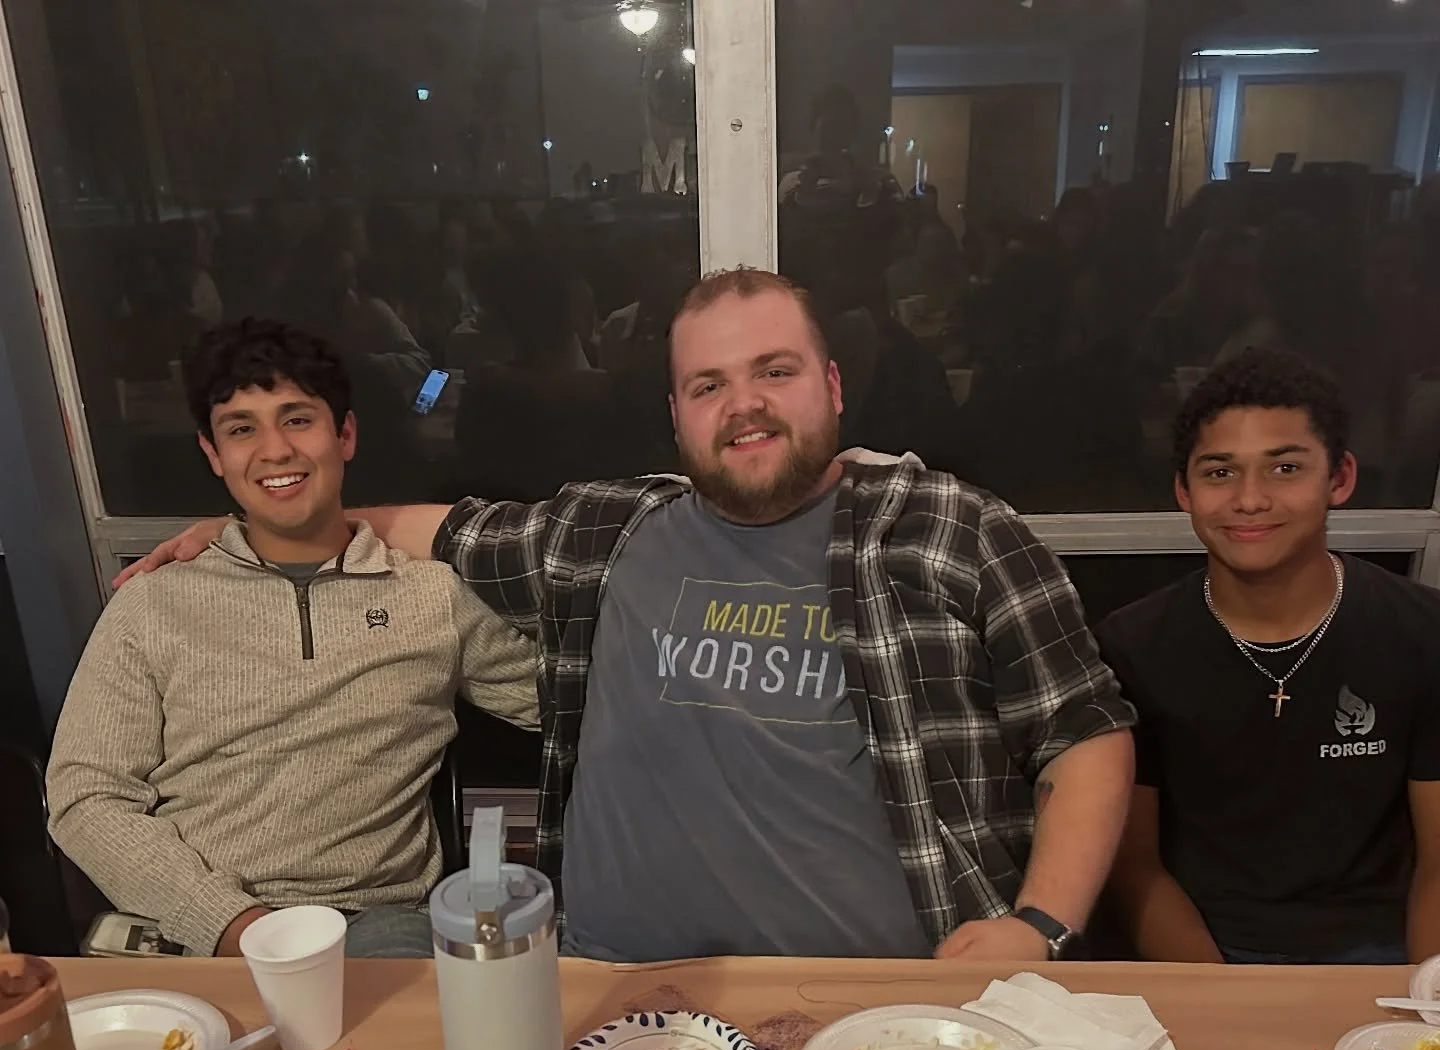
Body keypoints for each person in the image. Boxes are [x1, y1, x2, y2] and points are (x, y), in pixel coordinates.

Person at [119, 270, 1135, 965]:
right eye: (709, 385)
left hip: (878, 996)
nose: (745, 405)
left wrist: (1039, 925)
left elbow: (1085, 732)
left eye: (775, 372)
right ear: (676, 415)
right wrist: (265, 518)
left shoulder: (947, 528)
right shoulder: (608, 532)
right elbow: (437, 528)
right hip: (613, 995)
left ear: (830, 385)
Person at [50, 318, 538, 958]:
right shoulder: (152, 603)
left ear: (345, 435)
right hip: (196, 928)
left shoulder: (431, 597)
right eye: (241, 429)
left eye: (298, 419)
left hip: (374, 922)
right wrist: (230, 924)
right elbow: (87, 796)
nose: (275, 450)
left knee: (396, 1018)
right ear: (213, 454)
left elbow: (565, 699)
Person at [1099, 348, 1440, 965]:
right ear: (1183, 490)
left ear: (1339, 478)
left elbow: (1438, 867)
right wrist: (1219, 996)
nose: (1250, 499)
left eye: (1285, 468)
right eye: (1220, 472)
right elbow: (1135, 868)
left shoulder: (1421, 632)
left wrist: (1426, 997)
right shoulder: (1132, 647)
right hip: (1203, 949)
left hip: (1379, 948)